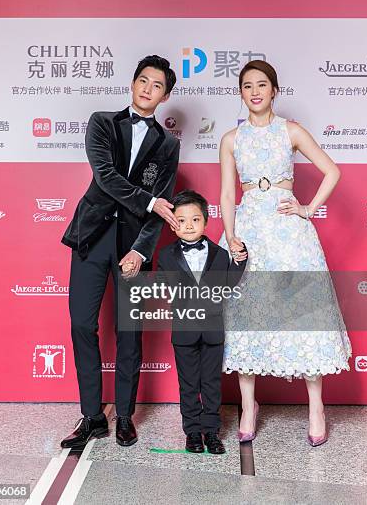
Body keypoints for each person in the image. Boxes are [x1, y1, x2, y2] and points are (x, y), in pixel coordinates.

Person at [219, 60, 351, 447]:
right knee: (247, 315)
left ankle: (316, 408)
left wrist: (307, 209)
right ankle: (248, 406)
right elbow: (228, 194)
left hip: (290, 233)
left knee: (304, 312)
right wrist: (230, 235)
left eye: (262, 84)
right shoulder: (231, 139)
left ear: (274, 90)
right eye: (247, 86)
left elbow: (332, 171)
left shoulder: (290, 131)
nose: (255, 91)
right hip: (250, 232)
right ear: (241, 94)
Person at [60, 55, 180, 449]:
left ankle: (125, 416)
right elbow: (105, 177)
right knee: (82, 323)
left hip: (132, 246)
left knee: (129, 331)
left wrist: (142, 252)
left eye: (157, 85)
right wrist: (149, 202)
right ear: (132, 84)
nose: (147, 89)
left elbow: (164, 202)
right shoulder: (102, 122)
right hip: (92, 235)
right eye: (142, 80)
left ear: (165, 96)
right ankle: (93, 416)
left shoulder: (168, 144)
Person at [157, 190, 247, 455]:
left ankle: (212, 432)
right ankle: (193, 433)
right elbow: (162, 286)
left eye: (195, 220)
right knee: (188, 385)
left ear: (206, 222)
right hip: (184, 331)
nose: (188, 226)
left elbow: (230, 283)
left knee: (211, 384)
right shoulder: (165, 256)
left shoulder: (219, 254)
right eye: (181, 221)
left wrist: (240, 259)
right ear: (173, 225)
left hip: (212, 330)